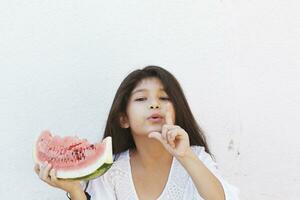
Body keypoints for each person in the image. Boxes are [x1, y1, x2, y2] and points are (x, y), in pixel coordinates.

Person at [34, 66, 240, 200]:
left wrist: (185, 155)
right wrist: (75, 191)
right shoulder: (111, 172)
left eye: (164, 98)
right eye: (142, 99)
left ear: (177, 111)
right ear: (124, 119)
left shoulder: (196, 159)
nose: (154, 105)